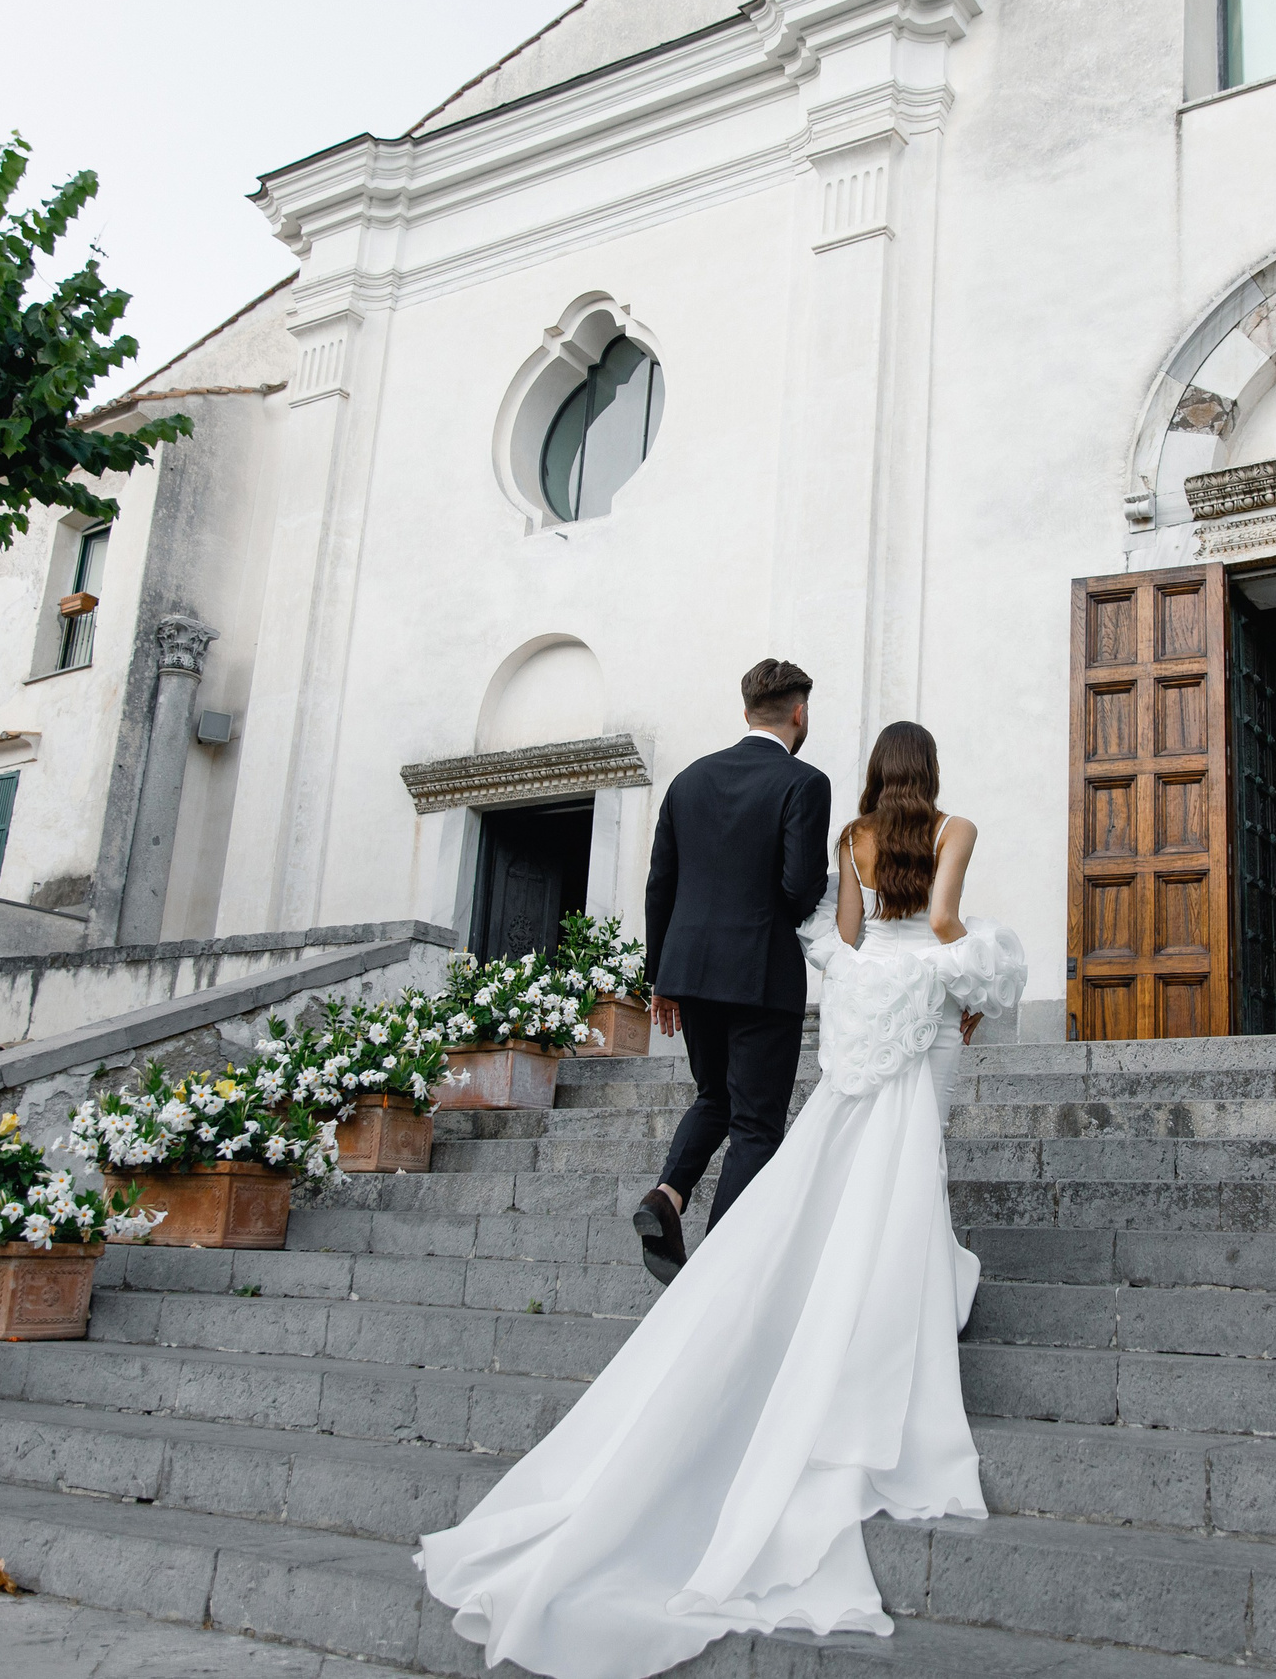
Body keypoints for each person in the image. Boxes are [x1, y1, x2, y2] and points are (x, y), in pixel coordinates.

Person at [416, 719, 1025, 1679]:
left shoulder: (855, 836)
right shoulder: (958, 828)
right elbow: (946, 924)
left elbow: (852, 939)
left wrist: (882, 981)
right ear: (934, 773)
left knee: (865, 1156)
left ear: (875, 774)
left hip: (875, 1005)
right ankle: (897, 1297)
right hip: (933, 1011)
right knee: (919, 1154)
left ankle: (855, 1277)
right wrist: (982, 972)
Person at [630, 658, 832, 1283]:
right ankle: (718, 1268)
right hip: (761, 974)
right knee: (756, 1122)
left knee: (714, 1096)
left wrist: (660, 975)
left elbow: (660, 882)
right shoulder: (804, 782)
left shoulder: (687, 782)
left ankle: (667, 1194)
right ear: (800, 712)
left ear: (747, 712)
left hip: (689, 972)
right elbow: (800, 888)